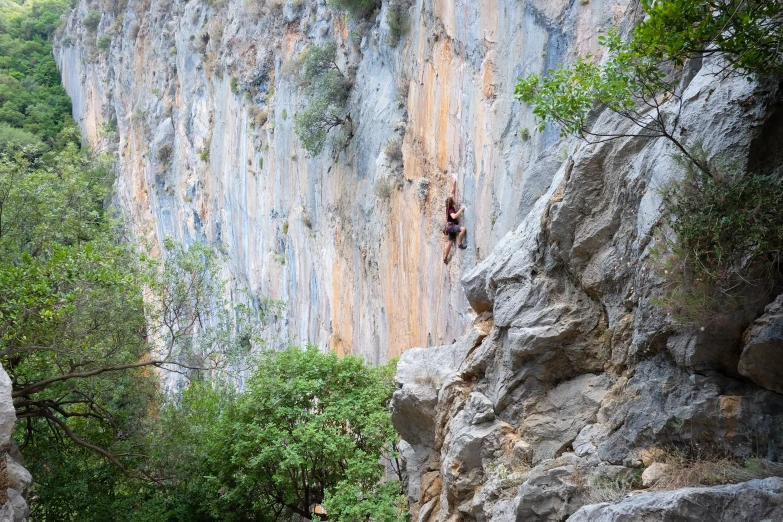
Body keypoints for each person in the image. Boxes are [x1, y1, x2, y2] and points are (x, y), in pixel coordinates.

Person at [443, 177, 467, 264]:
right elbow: (453, 217)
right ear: (452, 203)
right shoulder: (450, 210)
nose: (454, 199)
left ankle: (445, 257)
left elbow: (452, 192)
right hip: (451, 226)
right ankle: (460, 244)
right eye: (453, 200)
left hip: (449, 227)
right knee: (463, 229)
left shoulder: (449, 206)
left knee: (450, 242)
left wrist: (455, 181)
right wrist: (461, 210)